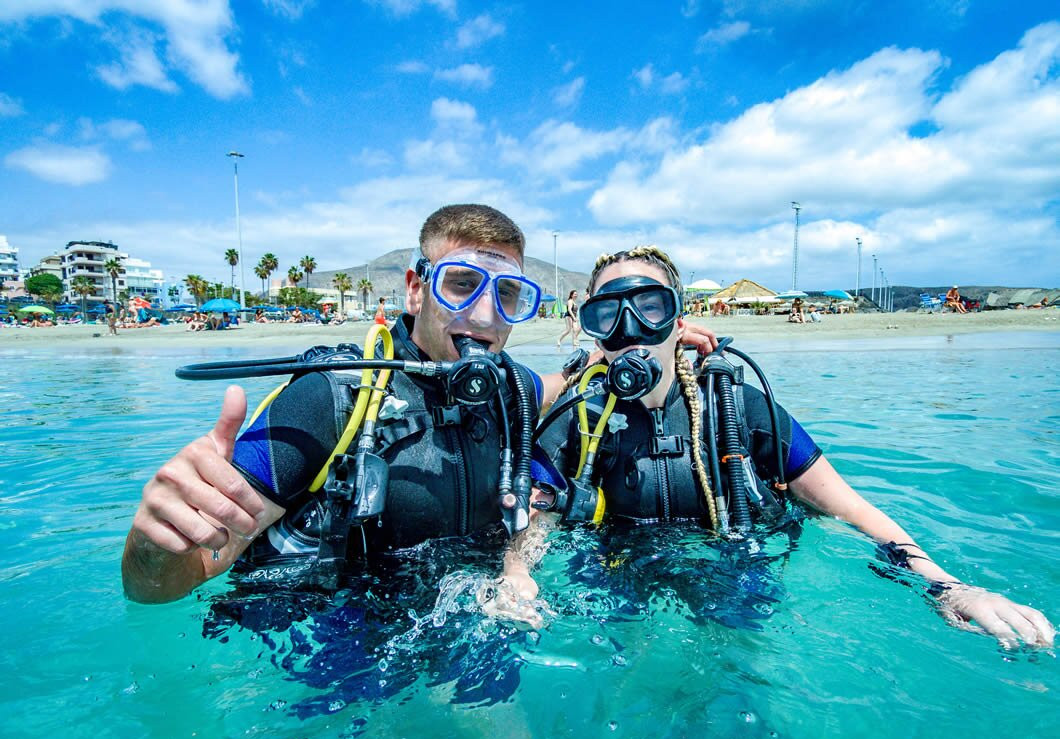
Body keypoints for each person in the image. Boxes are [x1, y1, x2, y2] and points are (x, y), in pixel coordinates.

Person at [500, 245, 1053, 647]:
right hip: (618, 568)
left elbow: (851, 509)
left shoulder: (741, 410)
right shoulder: (576, 424)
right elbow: (538, 520)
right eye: (608, 314)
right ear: (592, 329)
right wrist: (516, 576)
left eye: (650, 307)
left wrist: (948, 587)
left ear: (680, 320)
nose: (631, 328)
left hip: (730, 565)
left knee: (733, 686)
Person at [122, 204, 566, 604]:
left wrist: (517, 566)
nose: (486, 314)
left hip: (474, 628)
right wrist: (153, 545)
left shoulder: (511, 391)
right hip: (344, 651)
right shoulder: (329, 398)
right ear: (416, 290)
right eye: (462, 285)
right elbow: (167, 583)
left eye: (507, 293)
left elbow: (546, 420)